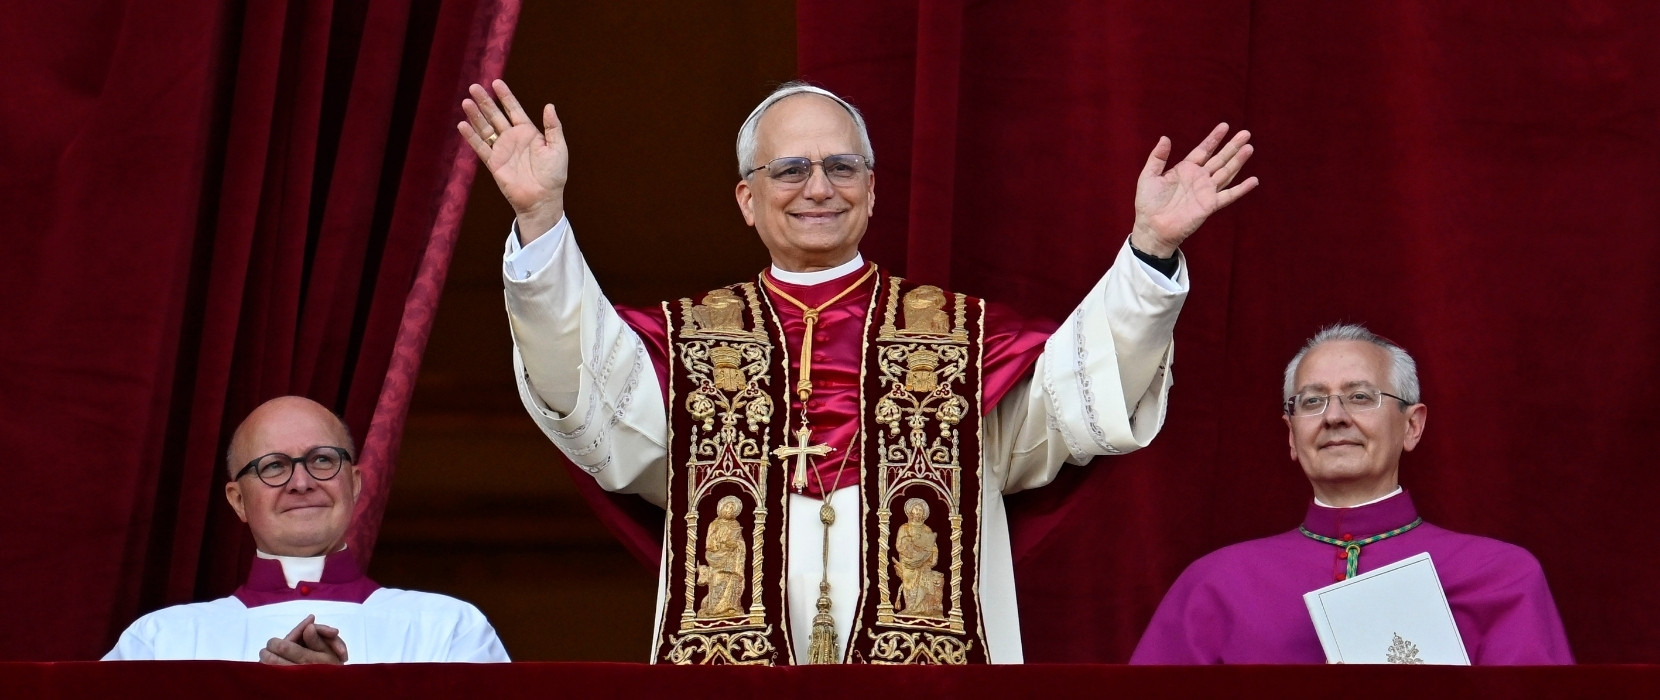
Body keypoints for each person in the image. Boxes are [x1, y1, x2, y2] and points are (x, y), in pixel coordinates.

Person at [459, 78, 1256, 664]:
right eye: (790, 169)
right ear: (745, 197)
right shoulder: (689, 341)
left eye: (842, 168)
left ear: (872, 192)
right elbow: (586, 394)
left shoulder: (959, 339)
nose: (818, 188)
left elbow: (1079, 395)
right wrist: (540, 219)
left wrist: (1149, 251)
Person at [1130, 324, 1573, 664]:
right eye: (1311, 401)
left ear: (1412, 425)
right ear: (1291, 435)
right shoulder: (1215, 584)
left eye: (1360, 397)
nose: (1334, 417)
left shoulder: (1501, 576)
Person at [104, 396, 509, 664]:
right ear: (238, 500)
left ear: (353, 484)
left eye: (321, 460)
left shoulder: (448, 630)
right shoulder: (160, 643)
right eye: (274, 466)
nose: (301, 482)